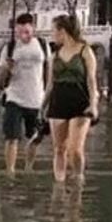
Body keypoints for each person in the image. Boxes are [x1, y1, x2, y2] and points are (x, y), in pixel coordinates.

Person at [45, 15, 99, 183]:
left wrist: (93, 104)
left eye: (53, 30)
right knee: (59, 149)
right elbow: (50, 84)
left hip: (80, 103)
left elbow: (91, 80)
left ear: (63, 31)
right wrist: (42, 106)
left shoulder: (85, 50)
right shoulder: (54, 56)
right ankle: (59, 186)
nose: (52, 34)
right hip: (58, 101)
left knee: (75, 149)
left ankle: (78, 178)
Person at [0, 13, 51, 175]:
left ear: (33, 28)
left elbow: (49, 70)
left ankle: (29, 167)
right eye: (19, 32)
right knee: (11, 137)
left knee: (34, 137)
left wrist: (48, 95)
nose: (23, 36)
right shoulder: (10, 48)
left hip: (36, 98)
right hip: (14, 97)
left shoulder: (42, 45)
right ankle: (10, 171)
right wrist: (6, 68)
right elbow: (0, 78)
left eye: (26, 32)